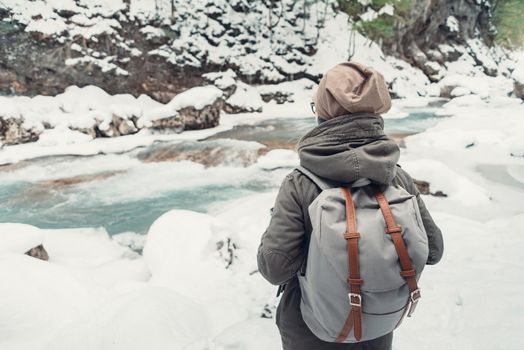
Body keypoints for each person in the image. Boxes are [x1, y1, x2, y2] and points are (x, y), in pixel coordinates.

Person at [257, 61, 444, 350]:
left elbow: (274, 268)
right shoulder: (396, 176)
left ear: (323, 112)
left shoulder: (300, 183)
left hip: (311, 329)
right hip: (374, 324)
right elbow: (433, 250)